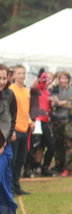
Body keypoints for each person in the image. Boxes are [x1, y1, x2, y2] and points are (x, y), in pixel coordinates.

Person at [9, 65, 32, 195]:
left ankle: (17, 186)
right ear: (14, 75)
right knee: (12, 159)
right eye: (19, 73)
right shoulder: (11, 90)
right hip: (15, 129)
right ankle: (10, 188)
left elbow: (26, 110)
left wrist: (30, 121)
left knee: (20, 160)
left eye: (23, 73)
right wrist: (11, 130)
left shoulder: (26, 90)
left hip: (25, 129)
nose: (22, 76)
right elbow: (8, 111)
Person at [29, 71, 55, 177]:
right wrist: (39, 77)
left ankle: (45, 167)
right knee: (34, 145)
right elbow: (32, 86)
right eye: (45, 78)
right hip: (37, 120)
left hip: (46, 121)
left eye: (49, 79)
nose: (46, 80)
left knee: (50, 146)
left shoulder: (48, 92)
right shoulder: (37, 89)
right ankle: (29, 168)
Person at [0, 64, 18, 214]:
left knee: (3, 178)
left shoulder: (10, 95)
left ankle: (5, 209)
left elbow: (12, 120)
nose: (1, 81)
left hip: (4, 146)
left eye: (4, 78)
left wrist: (3, 143)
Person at [50, 71, 72, 173]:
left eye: (65, 78)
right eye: (61, 78)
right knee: (57, 144)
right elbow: (52, 102)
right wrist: (61, 103)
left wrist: (61, 102)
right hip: (57, 120)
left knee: (68, 145)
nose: (63, 80)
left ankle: (67, 167)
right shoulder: (55, 89)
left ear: (69, 80)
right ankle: (58, 165)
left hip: (69, 120)